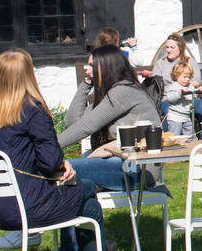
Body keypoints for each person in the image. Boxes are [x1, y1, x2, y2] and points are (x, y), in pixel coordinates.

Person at [0, 49, 124, 251]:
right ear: (28, 76)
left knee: (88, 205)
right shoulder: (31, 109)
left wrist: (57, 165)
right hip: (28, 206)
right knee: (87, 189)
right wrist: (62, 165)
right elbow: (49, 163)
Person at [61, 45, 163, 194]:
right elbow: (73, 123)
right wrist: (86, 84)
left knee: (63, 167)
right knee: (62, 171)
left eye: (91, 66)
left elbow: (87, 126)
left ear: (105, 67)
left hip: (138, 170)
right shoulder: (111, 94)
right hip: (122, 164)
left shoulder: (124, 91)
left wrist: (47, 149)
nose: (86, 70)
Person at [148, 33, 202, 125]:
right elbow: (155, 84)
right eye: (167, 47)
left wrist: (185, 83)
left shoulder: (190, 62)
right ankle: (170, 137)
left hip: (189, 99)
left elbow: (198, 82)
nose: (168, 50)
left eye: (172, 48)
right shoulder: (160, 64)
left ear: (180, 48)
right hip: (169, 100)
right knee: (168, 111)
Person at [163, 62, 196, 138]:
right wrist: (179, 93)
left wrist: (198, 91)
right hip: (175, 116)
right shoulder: (174, 86)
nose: (187, 79)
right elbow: (170, 99)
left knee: (189, 135)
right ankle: (174, 147)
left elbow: (194, 96)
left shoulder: (190, 86)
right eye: (185, 77)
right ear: (176, 76)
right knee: (175, 135)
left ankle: (190, 146)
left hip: (186, 116)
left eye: (189, 77)